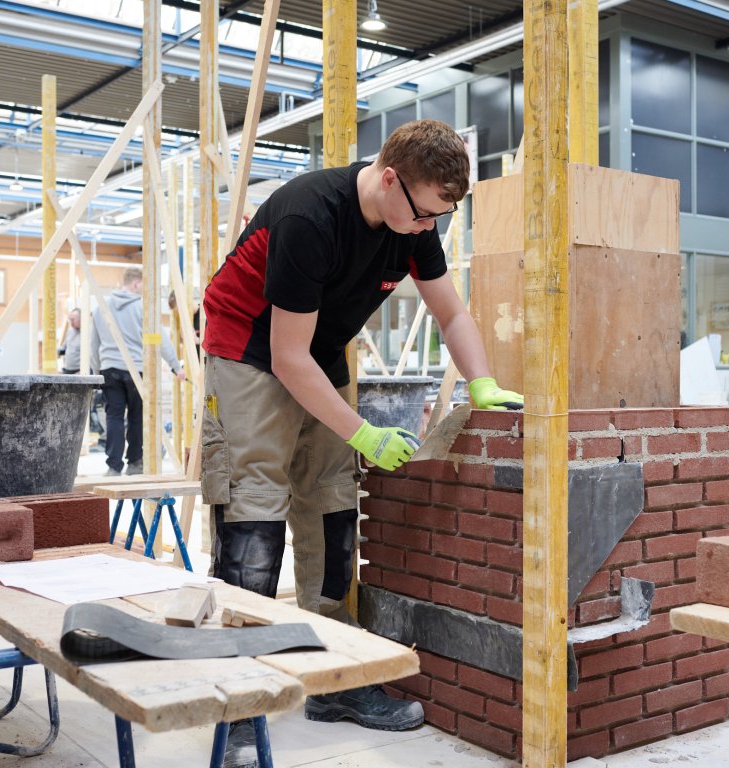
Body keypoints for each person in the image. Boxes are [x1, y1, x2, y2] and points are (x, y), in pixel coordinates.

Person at [200, 119, 522, 768]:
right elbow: (288, 359)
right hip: (250, 345)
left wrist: (483, 383)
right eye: (425, 213)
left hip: (315, 347)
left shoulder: (417, 220)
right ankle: (234, 703)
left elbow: (451, 312)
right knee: (255, 509)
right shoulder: (309, 217)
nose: (428, 228)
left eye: (442, 215)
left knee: (332, 505)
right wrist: (365, 432)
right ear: (388, 178)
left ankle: (333, 682)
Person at [92, 267, 187, 476]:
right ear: (135, 284)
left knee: (114, 416)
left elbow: (94, 342)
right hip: (137, 369)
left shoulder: (101, 306)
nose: (145, 290)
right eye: (143, 286)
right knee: (136, 417)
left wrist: (96, 371)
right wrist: (176, 366)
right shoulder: (143, 307)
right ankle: (134, 462)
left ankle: (113, 466)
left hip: (109, 368)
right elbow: (160, 339)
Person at [58, 308, 82, 374]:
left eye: (73, 320)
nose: (71, 322)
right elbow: (64, 348)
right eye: (70, 320)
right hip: (66, 370)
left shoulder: (86, 335)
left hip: (79, 371)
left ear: (81, 318)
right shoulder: (70, 331)